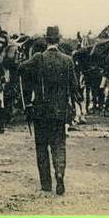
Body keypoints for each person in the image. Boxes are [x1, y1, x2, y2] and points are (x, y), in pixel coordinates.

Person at [19, 26, 79, 196]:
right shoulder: (67, 60)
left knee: (42, 146)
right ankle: (59, 174)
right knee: (59, 144)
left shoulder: (38, 58)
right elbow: (75, 86)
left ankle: (46, 183)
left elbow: (21, 69)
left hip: (41, 112)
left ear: (46, 41)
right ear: (59, 40)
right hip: (60, 112)